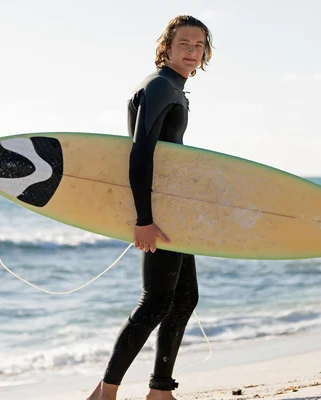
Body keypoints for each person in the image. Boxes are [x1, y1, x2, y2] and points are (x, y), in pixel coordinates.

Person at [87, 15, 213, 400]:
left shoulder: (173, 87)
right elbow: (140, 152)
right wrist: (144, 218)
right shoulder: (160, 86)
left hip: (170, 206)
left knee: (185, 297)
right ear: (167, 47)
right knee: (156, 301)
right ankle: (104, 394)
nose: (192, 52)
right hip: (157, 209)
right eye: (184, 45)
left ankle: (160, 391)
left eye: (198, 46)